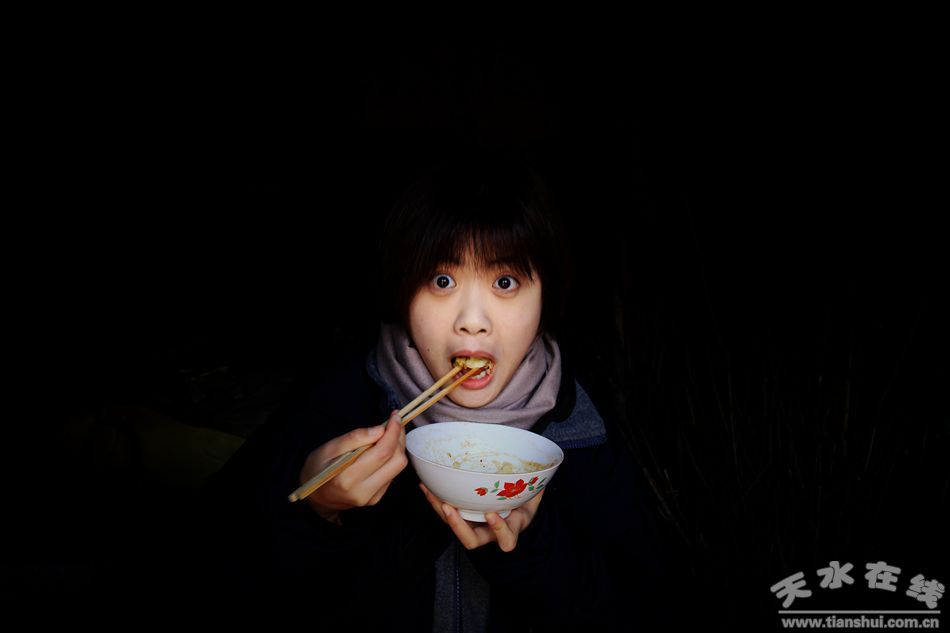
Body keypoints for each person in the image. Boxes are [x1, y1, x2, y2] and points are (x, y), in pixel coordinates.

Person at [200, 153, 673, 630]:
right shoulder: (343, 397)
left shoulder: (581, 428)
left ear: (544, 294)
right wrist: (319, 511)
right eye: (442, 280)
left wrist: (530, 546)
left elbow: (643, 611)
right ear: (403, 292)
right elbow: (220, 571)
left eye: (505, 281)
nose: (473, 321)